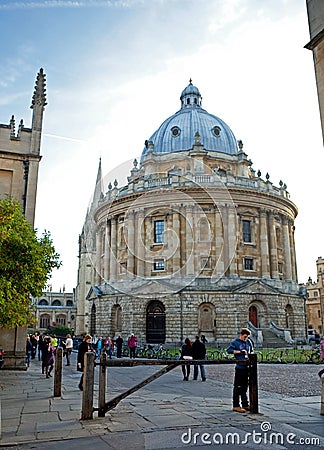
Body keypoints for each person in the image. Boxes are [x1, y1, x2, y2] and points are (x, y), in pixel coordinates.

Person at [227, 327, 254, 413]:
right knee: (237, 387)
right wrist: (239, 352)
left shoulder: (248, 342)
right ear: (241, 335)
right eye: (245, 337)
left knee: (245, 387)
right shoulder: (235, 342)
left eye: (247, 337)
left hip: (247, 367)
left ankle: (245, 404)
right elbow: (229, 350)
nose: (246, 339)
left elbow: (251, 350)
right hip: (239, 367)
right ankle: (236, 405)